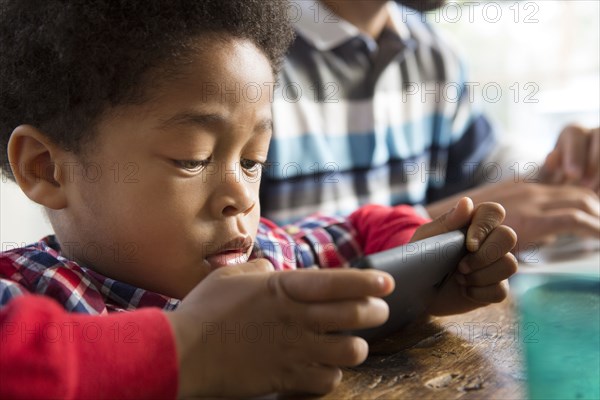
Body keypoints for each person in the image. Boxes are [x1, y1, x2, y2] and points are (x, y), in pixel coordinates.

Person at [0, 0, 517, 398]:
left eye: (252, 161)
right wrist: (185, 347)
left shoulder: (271, 259)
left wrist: (423, 263)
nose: (239, 198)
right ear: (46, 168)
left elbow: (362, 229)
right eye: (192, 159)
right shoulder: (32, 290)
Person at [261, 0, 600, 252]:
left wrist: (567, 172)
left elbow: (487, 171)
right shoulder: (244, 62)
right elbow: (246, 263)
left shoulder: (433, 52)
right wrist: (432, 228)